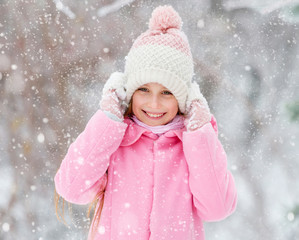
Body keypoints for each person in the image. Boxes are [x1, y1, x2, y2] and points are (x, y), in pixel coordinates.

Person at [54, 5, 237, 240]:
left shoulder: (192, 146)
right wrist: (108, 121)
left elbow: (216, 208)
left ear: (183, 99)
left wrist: (200, 133)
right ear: (129, 91)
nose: (154, 103)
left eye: (167, 93)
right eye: (143, 89)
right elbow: (72, 188)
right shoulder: (115, 140)